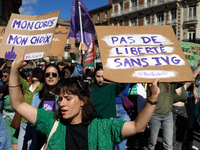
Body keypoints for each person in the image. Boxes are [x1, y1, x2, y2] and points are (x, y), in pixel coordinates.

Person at [9, 54, 160, 150]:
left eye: (68, 99)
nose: (61, 103)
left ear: (83, 101)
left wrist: (152, 99)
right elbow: (18, 104)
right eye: (60, 98)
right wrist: (14, 69)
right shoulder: (51, 122)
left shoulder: (103, 128)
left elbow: (138, 126)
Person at [147, 82, 183, 150]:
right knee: (152, 142)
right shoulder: (153, 81)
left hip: (168, 115)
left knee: (169, 144)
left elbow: (185, 78)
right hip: (155, 114)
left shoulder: (172, 82)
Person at [17, 67, 44, 150]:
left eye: (38, 72)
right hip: (24, 123)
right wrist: (14, 66)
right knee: (20, 147)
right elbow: (16, 76)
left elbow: (50, 76)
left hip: (35, 123)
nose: (35, 73)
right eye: (33, 72)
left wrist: (47, 61)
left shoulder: (43, 88)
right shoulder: (26, 86)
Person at [0, 69, 18, 150]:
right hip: (5, 115)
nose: (3, 78)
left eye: (5, 76)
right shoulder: (2, 88)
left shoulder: (15, 87)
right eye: (2, 76)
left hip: (13, 116)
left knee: (13, 139)